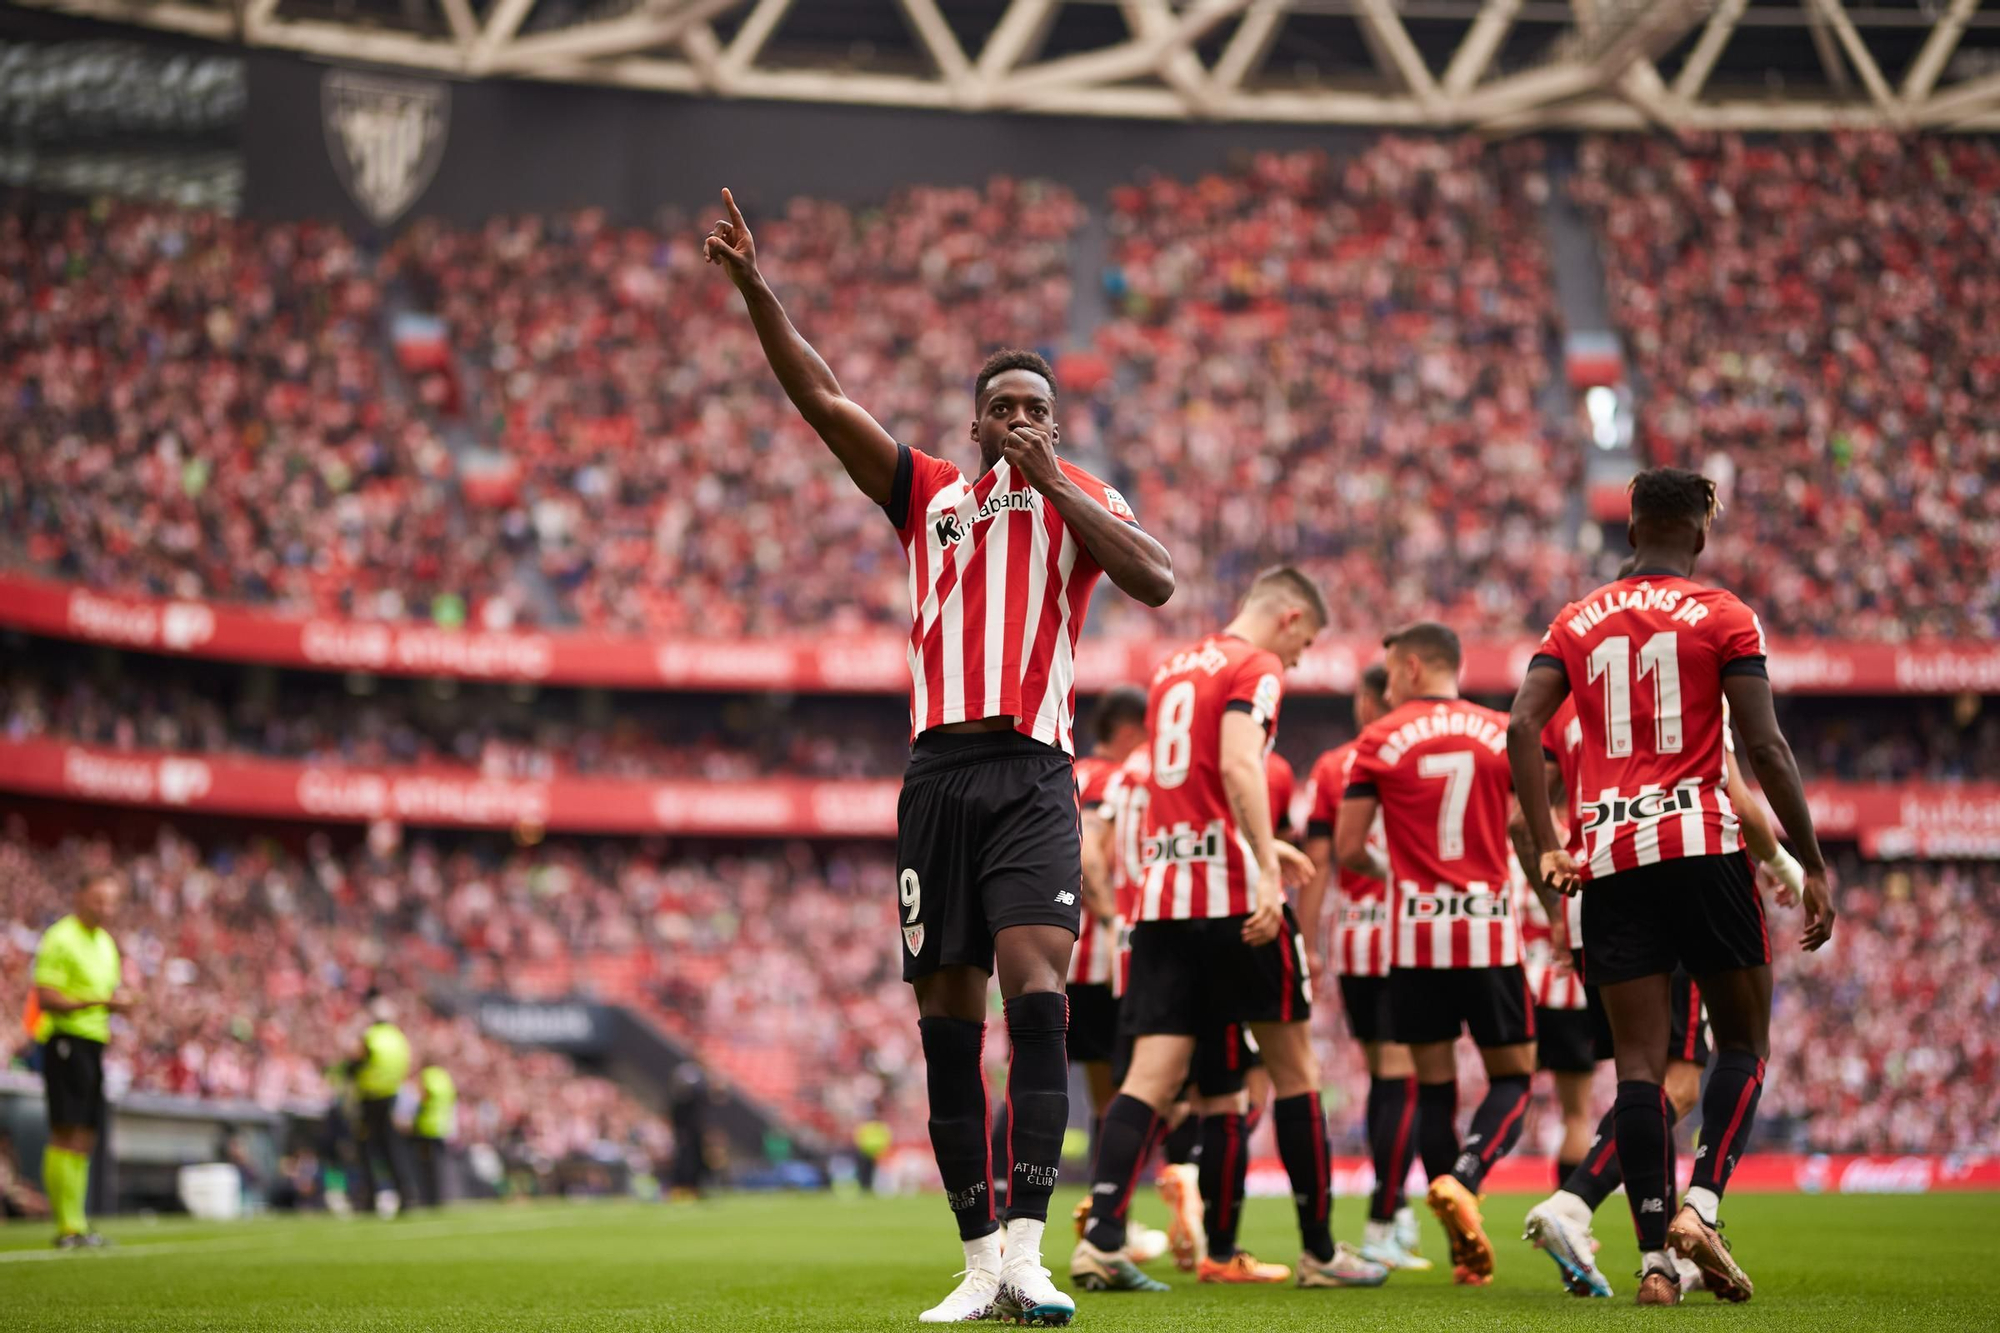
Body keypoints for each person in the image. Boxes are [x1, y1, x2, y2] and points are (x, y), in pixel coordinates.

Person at [706, 186, 1174, 1328]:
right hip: (935, 779)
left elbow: (1156, 580)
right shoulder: (927, 496)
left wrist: (1058, 477)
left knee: (1038, 990)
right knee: (944, 1023)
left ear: (1055, 425)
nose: (1019, 419)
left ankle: (1027, 1250)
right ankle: (973, 1263)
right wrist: (758, 291)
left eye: (1037, 408)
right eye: (1002, 406)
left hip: (1030, 774)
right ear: (972, 423)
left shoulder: (1078, 502)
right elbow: (819, 397)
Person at [1509, 466, 1835, 1306]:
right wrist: (1811, 859)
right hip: (1701, 845)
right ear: (1700, 532)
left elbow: (1519, 724)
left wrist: (1549, 846)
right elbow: (1763, 750)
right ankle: (1704, 1204)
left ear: (1629, 531)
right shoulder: (1725, 613)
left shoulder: (1577, 618)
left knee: (1641, 1070)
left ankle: (1654, 1261)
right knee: (1741, 1041)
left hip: (1610, 858)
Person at [1070, 567, 1388, 1295]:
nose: (1302, 655)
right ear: (1289, 616)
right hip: (1235, 902)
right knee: (1294, 1069)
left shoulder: (1173, 667)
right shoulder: (1257, 665)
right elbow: (1243, 766)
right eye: (1306, 639)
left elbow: (1189, 787)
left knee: (1149, 1074)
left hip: (1164, 900)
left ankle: (1103, 1239)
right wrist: (1266, 870)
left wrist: (1251, 844)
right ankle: (1318, 1251)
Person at [1515, 687, 1806, 1298]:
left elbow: (1523, 821)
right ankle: (1582, 1202)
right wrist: (1786, 865)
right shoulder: (1680, 677)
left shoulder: (1574, 705)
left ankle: (1656, 1263)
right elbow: (1733, 787)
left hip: (1600, 889)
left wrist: (1554, 907)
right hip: (1683, 871)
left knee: (1640, 1075)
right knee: (1681, 1077)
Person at [1334, 623, 1533, 1287]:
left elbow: (1348, 848)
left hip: (1413, 939)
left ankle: (1459, 1249)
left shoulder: (1377, 739)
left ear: (1415, 666)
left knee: (1434, 1090)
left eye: (1390, 673)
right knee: (1513, 1077)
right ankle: (1466, 1177)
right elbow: (1523, 825)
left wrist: (1400, 874)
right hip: (1486, 930)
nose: (1386, 685)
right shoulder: (1502, 730)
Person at [1300, 664, 1431, 1272]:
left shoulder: (1333, 766)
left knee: (1384, 1070)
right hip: (1410, 924)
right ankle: (1384, 1217)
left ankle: (1394, 1207)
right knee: (1403, 1074)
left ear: (1364, 701)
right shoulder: (1420, 750)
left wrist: (1309, 941)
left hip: (1353, 930)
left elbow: (1320, 863)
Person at [33, 870, 133, 1248]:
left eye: (110, 901)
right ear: (79, 898)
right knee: (66, 1129)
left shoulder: (106, 943)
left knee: (86, 1133)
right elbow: (45, 997)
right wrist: (102, 1002)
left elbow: (107, 995)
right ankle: (67, 1225)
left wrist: (118, 1006)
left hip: (94, 1043)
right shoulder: (60, 938)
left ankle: (78, 1221)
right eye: (98, 900)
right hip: (65, 1040)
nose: (105, 908)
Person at [350, 995, 415, 1218]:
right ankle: (406, 1195)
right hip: (391, 1096)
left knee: (366, 1148)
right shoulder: (399, 1038)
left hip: (370, 1097)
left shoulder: (371, 1037)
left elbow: (356, 1064)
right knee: (392, 1148)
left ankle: (369, 1197)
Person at [412, 1063, 457, 1208]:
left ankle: (430, 1197)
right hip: (442, 1127)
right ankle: (440, 1196)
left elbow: (426, 1094)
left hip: (427, 1128)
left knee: (427, 1167)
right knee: (439, 1166)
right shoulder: (445, 1077)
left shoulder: (428, 1076)